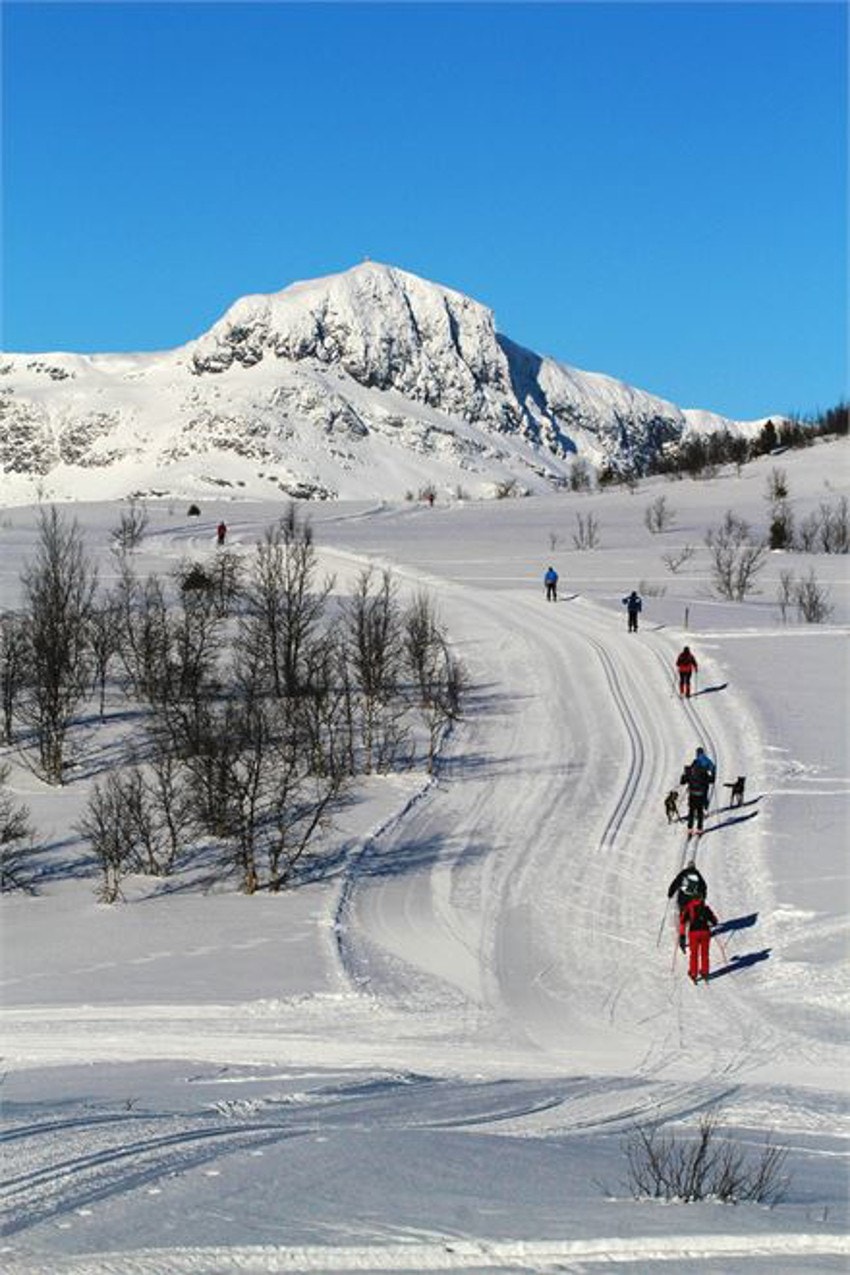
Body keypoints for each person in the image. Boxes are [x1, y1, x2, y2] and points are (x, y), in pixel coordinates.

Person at [679, 894, 718, 983]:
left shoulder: (689, 907)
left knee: (694, 954)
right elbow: (715, 921)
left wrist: (682, 934)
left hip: (694, 933)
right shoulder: (706, 908)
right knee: (705, 953)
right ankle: (704, 972)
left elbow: (683, 921)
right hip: (705, 932)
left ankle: (693, 973)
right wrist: (711, 922)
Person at [680, 750, 714, 836]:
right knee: (699, 811)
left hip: (692, 793)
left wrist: (685, 777)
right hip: (701, 793)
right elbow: (711, 780)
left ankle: (690, 828)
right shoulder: (703, 771)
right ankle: (699, 829)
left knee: (691, 811)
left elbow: (683, 781)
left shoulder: (691, 770)